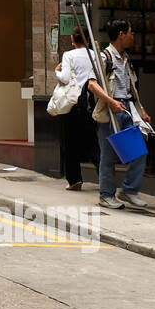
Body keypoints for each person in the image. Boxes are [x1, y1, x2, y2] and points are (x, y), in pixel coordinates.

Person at [87, 19, 152, 210]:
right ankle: (106, 195)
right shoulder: (104, 57)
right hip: (110, 110)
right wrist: (111, 101)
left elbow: (131, 88)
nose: (133, 37)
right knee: (108, 155)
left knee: (139, 149)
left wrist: (141, 110)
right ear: (121, 35)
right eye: (130, 33)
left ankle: (129, 190)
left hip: (127, 108)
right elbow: (92, 84)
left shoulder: (126, 58)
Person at [55, 27, 98, 191]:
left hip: (73, 103)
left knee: (70, 142)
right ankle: (104, 175)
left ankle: (75, 180)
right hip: (91, 102)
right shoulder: (95, 55)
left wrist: (56, 72)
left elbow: (65, 78)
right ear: (87, 39)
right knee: (93, 141)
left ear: (73, 39)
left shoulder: (68, 55)